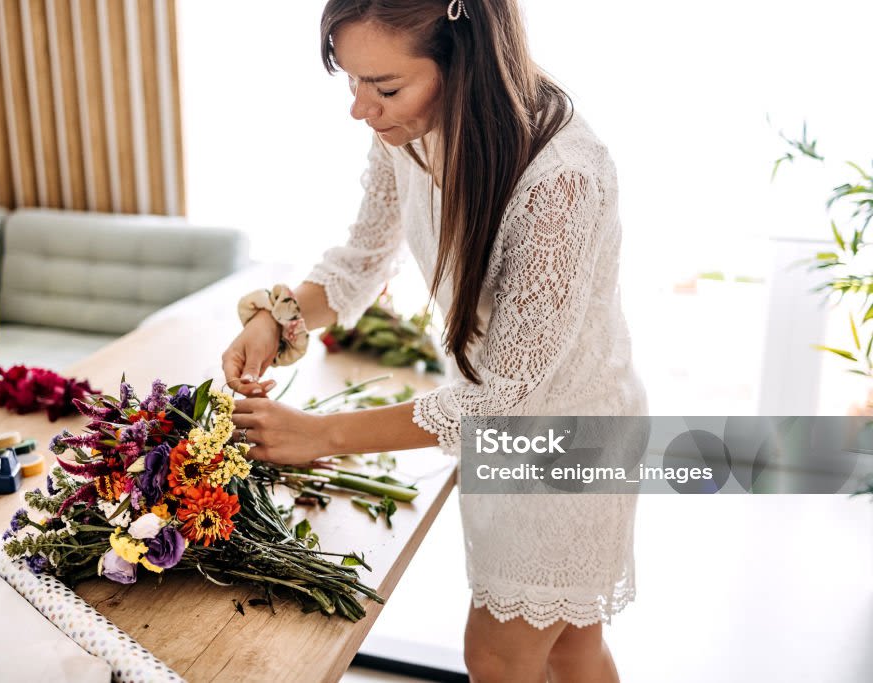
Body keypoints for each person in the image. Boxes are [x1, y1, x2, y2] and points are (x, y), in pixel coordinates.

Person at [221, 1, 647, 681]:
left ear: (465, 62)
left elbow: (500, 398)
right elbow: (363, 258)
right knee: (570, 645)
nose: (362, 108)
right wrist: (278, 316)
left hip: (568, 440)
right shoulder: (410, 127)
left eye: (384, 87)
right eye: (352, 81)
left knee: (498, 656)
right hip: (514, 433)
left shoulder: (563, 178)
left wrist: (320, 435)